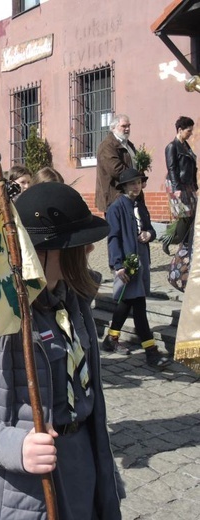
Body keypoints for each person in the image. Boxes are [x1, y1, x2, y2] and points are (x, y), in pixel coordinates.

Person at [0, 181, 123, 520]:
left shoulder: (75, 301)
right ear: (39, 251)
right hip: (17, 486)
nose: (88, 251)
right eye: (78, 245)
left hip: (78, 465)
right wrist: (14, 446)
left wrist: (101, 471)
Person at [103, 168, 172, 368]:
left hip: (142, 260)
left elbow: (150, 228)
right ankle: (151, 351)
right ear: (124, 186)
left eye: (139, 182)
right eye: (132, 183)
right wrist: (118, 265)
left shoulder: (140, 206)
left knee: (126, 302)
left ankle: (111, 338)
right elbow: (113, 237)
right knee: (139, 305)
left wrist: (149, 235)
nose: (136, 186)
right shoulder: (116, 208)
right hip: (127, 262)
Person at [164, 116, 197, 250]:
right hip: (176, 183)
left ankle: (172, 239)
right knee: (184, 213)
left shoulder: (186, 145)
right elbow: (171, 168)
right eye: (188, 131)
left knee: (191, 214)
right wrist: (176, 188)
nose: (191, 133)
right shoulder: (172, 146)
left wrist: (194, 185)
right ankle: (184, 246)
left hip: (187, 183)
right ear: (180, 130)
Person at [95, 114, 136, 214]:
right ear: (113, 128)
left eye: (129, 126)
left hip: (130, 193)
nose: (127, 129)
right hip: (115, 195)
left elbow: (136, 164)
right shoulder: (107, 146)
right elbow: (116, 169)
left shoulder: (128, 144)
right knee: (117, 228)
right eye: (124, 126)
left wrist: (141, 178)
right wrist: (136, 179)